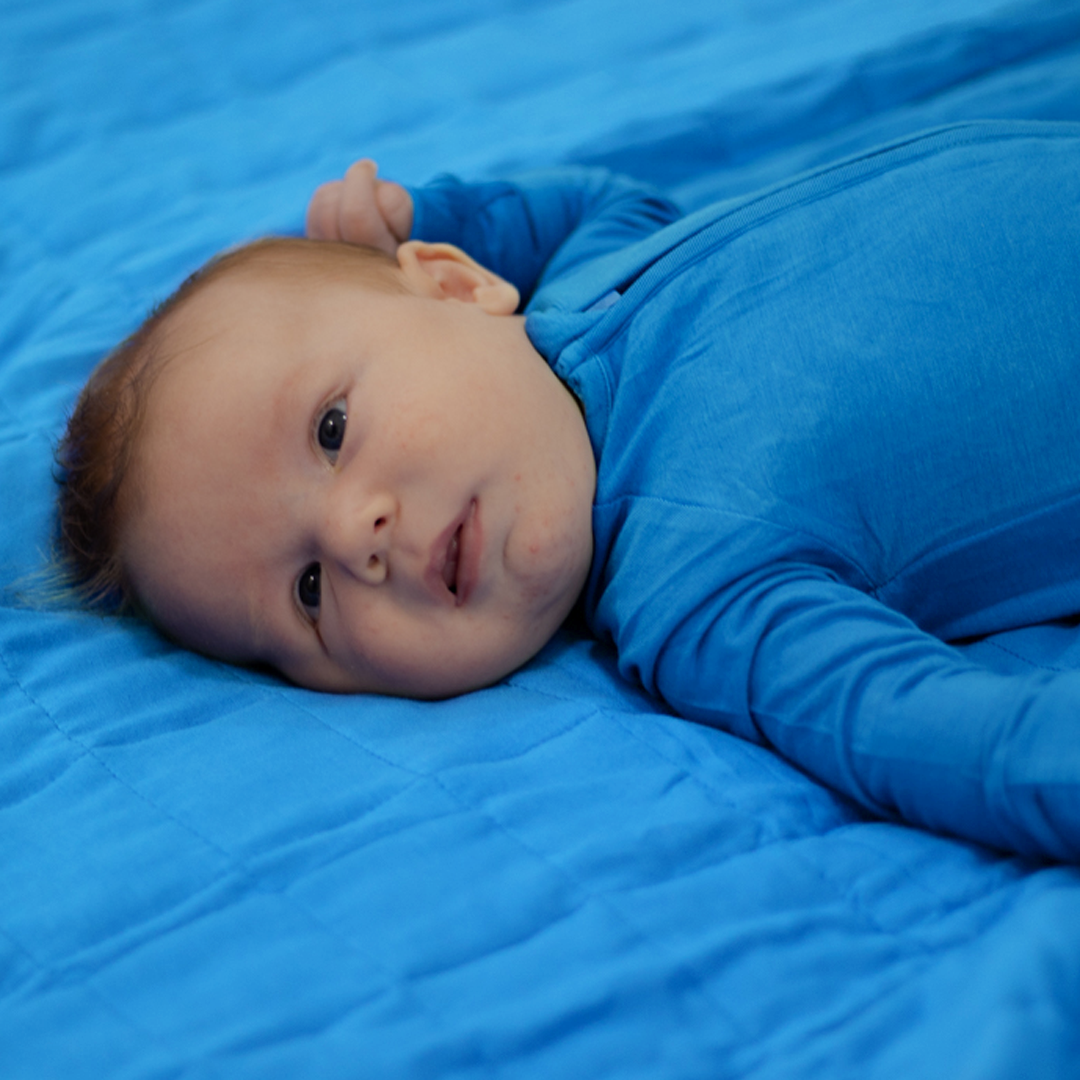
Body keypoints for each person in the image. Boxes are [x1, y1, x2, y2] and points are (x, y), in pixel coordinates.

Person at [57, 121, 1080, 860]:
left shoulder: (591, 280)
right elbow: (946, 738)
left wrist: (437, 212)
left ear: (458, 285)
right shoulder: (701, 596)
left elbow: (611, 200)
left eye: (331, 431)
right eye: (308, 595)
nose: (355, 535)